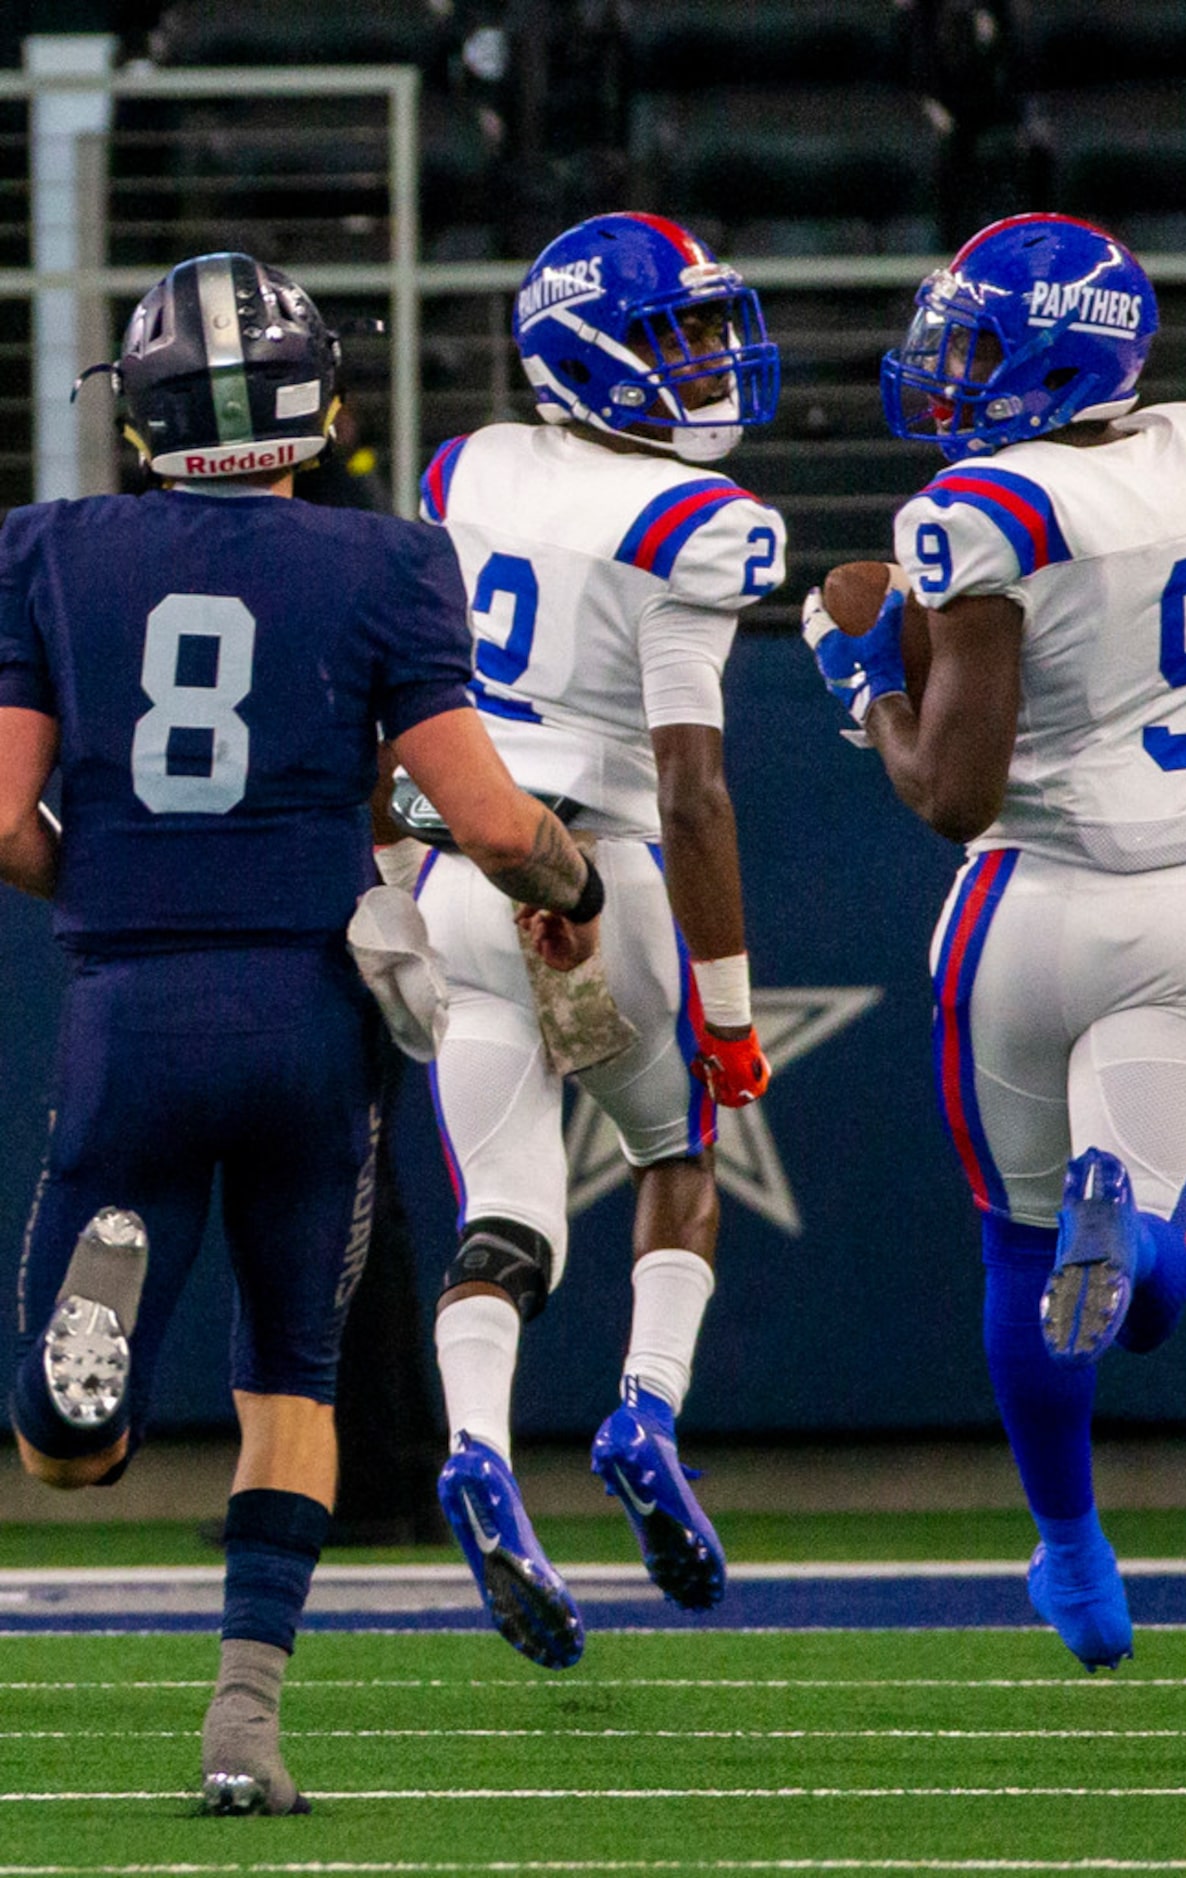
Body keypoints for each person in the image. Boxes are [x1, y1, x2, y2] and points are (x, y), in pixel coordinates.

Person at [0, 251, 601, 1812]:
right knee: (297, 1382)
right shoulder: (391, 565)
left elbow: (2, 817)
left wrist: (115, 885)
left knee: (65, 1456)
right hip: (309, 1011)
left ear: (140, 413)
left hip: (130, 1001)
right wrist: (572, 875)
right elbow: (480, 814)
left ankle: (99, 1360)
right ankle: (243, 1726)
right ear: (311, 407)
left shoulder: (50, 552)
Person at [802, 213, 1186, 1670]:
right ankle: (1128, 1234)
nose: (944, 368)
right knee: (1134, 1281)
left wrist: (856, 684)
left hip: (1027, 907)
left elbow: (952, 793)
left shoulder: (979, 512)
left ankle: (1074, 1554)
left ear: (1053, 351)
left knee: (1019, 1256)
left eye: (971, 343)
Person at [389, 209, 786, 1669]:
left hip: (454, 870)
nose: (699, 359)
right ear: (589, 349)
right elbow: (691, 788)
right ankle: (643, 1408)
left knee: (505, 1216)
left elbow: (403, 686)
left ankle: (479, 1445)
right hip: (592, 875)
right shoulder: (698, 527)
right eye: (673, 333)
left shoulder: (469, 468)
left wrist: (381, 873)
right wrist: (732, 1011)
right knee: (675, 1156)